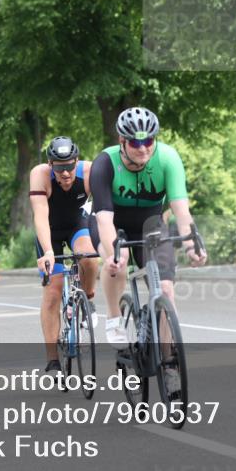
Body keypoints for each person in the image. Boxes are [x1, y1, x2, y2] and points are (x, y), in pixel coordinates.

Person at [89, 107, 206, 358]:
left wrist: (191, 245)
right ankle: (113, 318)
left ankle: (168, 360)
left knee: (165, 289)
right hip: (112, 222)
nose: (143, 148)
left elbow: (180, 210)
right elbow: (104, 220)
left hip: (150, 224)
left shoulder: (168, 158)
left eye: (149, 140)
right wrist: (113, 254)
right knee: (116, 265)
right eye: (135, 142)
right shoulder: (104, 163)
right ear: (122, 141)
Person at [30, 136, 100, 373]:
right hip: (48, 232)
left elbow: (102, 211)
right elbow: (40, 215)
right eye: (60, 168)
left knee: (90, 257)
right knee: (53, 289)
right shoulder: (39, 175)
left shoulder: (90, 172)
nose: (66, 173)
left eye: (70, 166)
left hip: (76, 225)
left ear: (77, 161)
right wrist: (48, 251)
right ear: (51, 165)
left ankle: (88, 298)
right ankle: (53, 359)